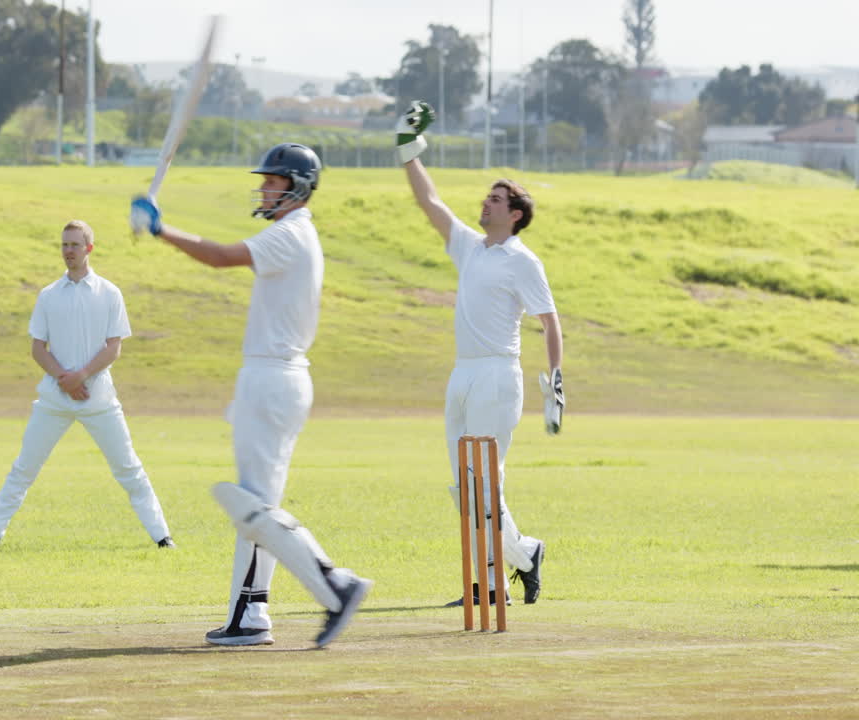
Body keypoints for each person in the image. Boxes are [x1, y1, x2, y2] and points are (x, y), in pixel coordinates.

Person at [129, 143, 372, 649]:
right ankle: (251, 611)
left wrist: (160, 230)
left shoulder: (290, 233)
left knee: (253, 507)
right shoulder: (295, 233)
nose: (263, 188)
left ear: (297, 186)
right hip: (276, 379)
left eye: (272, 181)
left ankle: (334, 584)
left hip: (273, 379)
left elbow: (220, 258)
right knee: (258, 507)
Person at [396, 101, 565, 606]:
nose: (486, 204)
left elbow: (550, 320)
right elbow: (430, 202)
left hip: (497, 375)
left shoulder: (522, 260)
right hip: (462, 373)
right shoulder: (470, 246)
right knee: (463, 489)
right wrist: (408, 151)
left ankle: (491, 587)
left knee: (483, 484)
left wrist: (556, 382)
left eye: (495, 199)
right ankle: (524, 553)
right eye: (487, 197)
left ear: (514, 215)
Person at [0, 220, 173, 550]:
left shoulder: (110, 293)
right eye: (64, 245)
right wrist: (63, 380)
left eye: (74, 245)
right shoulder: (48, 295)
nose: (68, 251)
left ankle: (161, 536)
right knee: (24, 468)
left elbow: (114, 347)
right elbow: (37, 348)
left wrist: (81, 377)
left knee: (129, 468)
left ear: (89, 249)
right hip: (55, 399)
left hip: (98, 398)